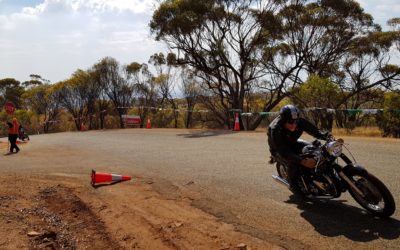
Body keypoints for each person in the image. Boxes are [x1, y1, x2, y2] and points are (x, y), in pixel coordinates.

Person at [267, 105, 329, 194]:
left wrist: (326, 136)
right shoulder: (275, 129)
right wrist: (302, 161)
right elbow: (283, 151)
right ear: (283, 120)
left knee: (314, 149)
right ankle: (293, 185)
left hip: (293, 143)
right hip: (278, 149)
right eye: (290, 122)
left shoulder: (299, 122)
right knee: (294, 162)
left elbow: (315, 131)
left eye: (296, 122)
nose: (294, 124)